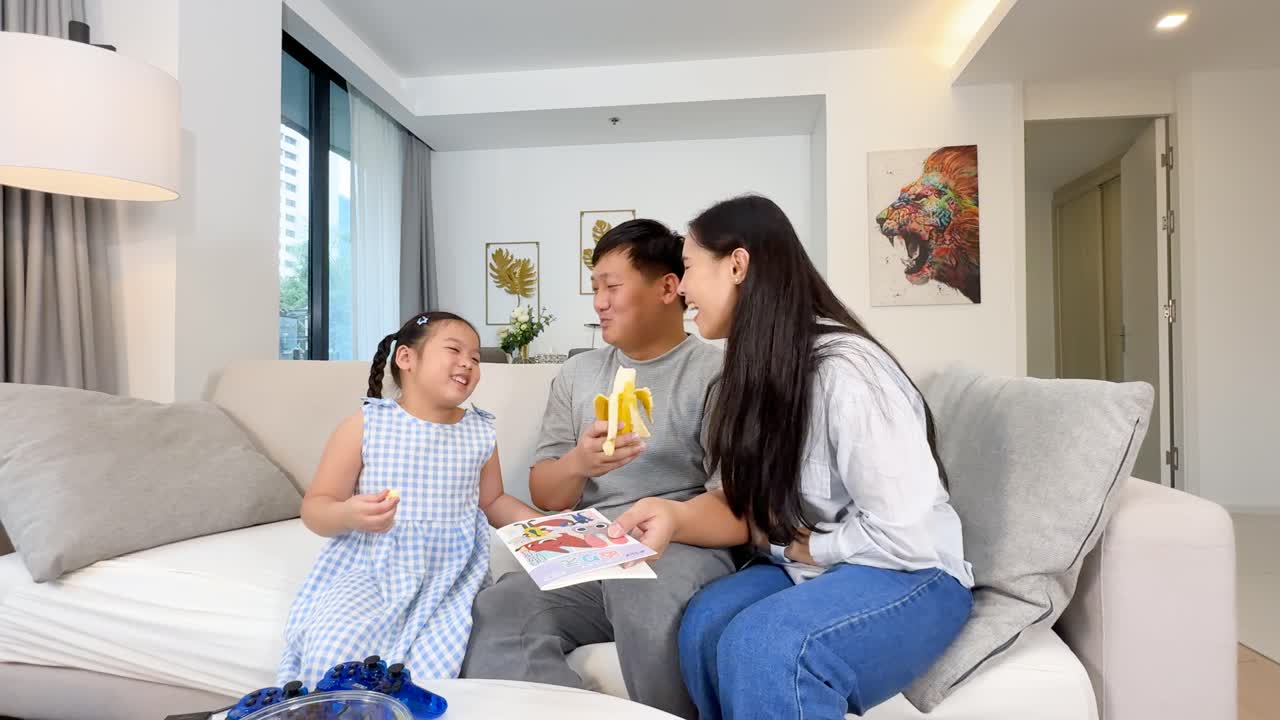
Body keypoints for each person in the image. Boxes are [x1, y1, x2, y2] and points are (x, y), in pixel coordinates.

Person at [609, 196, 976, 719]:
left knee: (767, 646)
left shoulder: (849, 372)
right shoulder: (754, 372)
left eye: (688, 267)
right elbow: (749, 505)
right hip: (817, 567)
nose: (682, 288)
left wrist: (814, 548)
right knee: (703, 626)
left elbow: (908, 533)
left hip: (911, 570)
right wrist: (673, 514)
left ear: (737, 265)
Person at [461, 219, 731, 719]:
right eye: (595, 288)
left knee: (638, 590)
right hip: (591, 552)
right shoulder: (579, 373)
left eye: (612, 287)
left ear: (668, 288)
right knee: (500, 605)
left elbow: (733, 505)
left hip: (680, 547)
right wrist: (578, 464)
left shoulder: (716, 373)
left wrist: (665, 522)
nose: (599, 303)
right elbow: (547, 494)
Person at [278, 311, 539, 686]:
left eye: (476, 357)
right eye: (454, 350)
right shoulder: (366, 424)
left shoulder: (479, 430)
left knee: (432, 669)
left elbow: (493, 501)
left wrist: (547, 528)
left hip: (451, 574)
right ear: (406, 358)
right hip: (374, 568)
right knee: (330, 648)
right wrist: (348, 514)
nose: (468, 362)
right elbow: (316, 507)